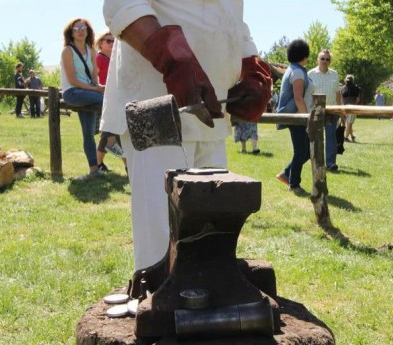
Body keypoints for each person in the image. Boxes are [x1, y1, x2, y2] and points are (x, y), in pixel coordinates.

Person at [100, 1, 272, 270]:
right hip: (154, 109)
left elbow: (231, 17)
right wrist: (172, 59)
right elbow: (122, 4)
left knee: (211, 240)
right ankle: (158, 303)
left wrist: (251, 66)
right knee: (160, 250)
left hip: (212, 116)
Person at [61, 18, 105, 177]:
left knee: (88, 133)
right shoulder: (68, 51)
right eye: (76, 28)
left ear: (88, 31)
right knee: (106, 101)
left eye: (83, 28)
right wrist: (95, 90)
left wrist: (98, 87)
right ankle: (111, 138)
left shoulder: (91, 50)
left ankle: (94, 169)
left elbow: (94, 77)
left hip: (89, 93)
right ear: (71, 33)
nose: (80, 31)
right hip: (73, 93)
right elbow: (72, 80)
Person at [275, 39, 314, 196]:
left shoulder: (295, 69)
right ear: (304, 55)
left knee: (306, 151)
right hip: (297, 117)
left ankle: (286, 174)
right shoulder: (297, 71)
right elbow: (298, 98)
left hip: (298, 116)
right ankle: (294, 184)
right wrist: (305, 118)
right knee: (301, 151)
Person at [94, 31, 126, 172]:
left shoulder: (114, 58)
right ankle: (127, 165)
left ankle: (99, 164)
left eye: (114, 41)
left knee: (109, 131)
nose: (112, 44)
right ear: (100, 43)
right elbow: (94, 77)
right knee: (114, 129)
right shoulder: (99, 58)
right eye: (108, 41)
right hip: (105, 97)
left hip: (116, 97)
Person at [308, 49, 342, 171]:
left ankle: (331, 163)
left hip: (331, 110)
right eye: (322, 58)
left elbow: (338, 93)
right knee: (316, 137)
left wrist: (340, 109)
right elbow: (307, 94)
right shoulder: (310, 74)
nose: (325, 61)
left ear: (330, 61)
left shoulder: (334, 74)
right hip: (316, 110)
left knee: (331, 137)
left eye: (327, 59)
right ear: (318, 59)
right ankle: (317, 161)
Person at [341, 74, 361, 142]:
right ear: (353, 80)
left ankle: (352, 136)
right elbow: (358, 99)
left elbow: (341, 98)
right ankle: (346, 138)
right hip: (353, 107)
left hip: (344, 107)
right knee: (349, 123)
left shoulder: (342, 88)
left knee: (348, 123)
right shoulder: (357, 88)